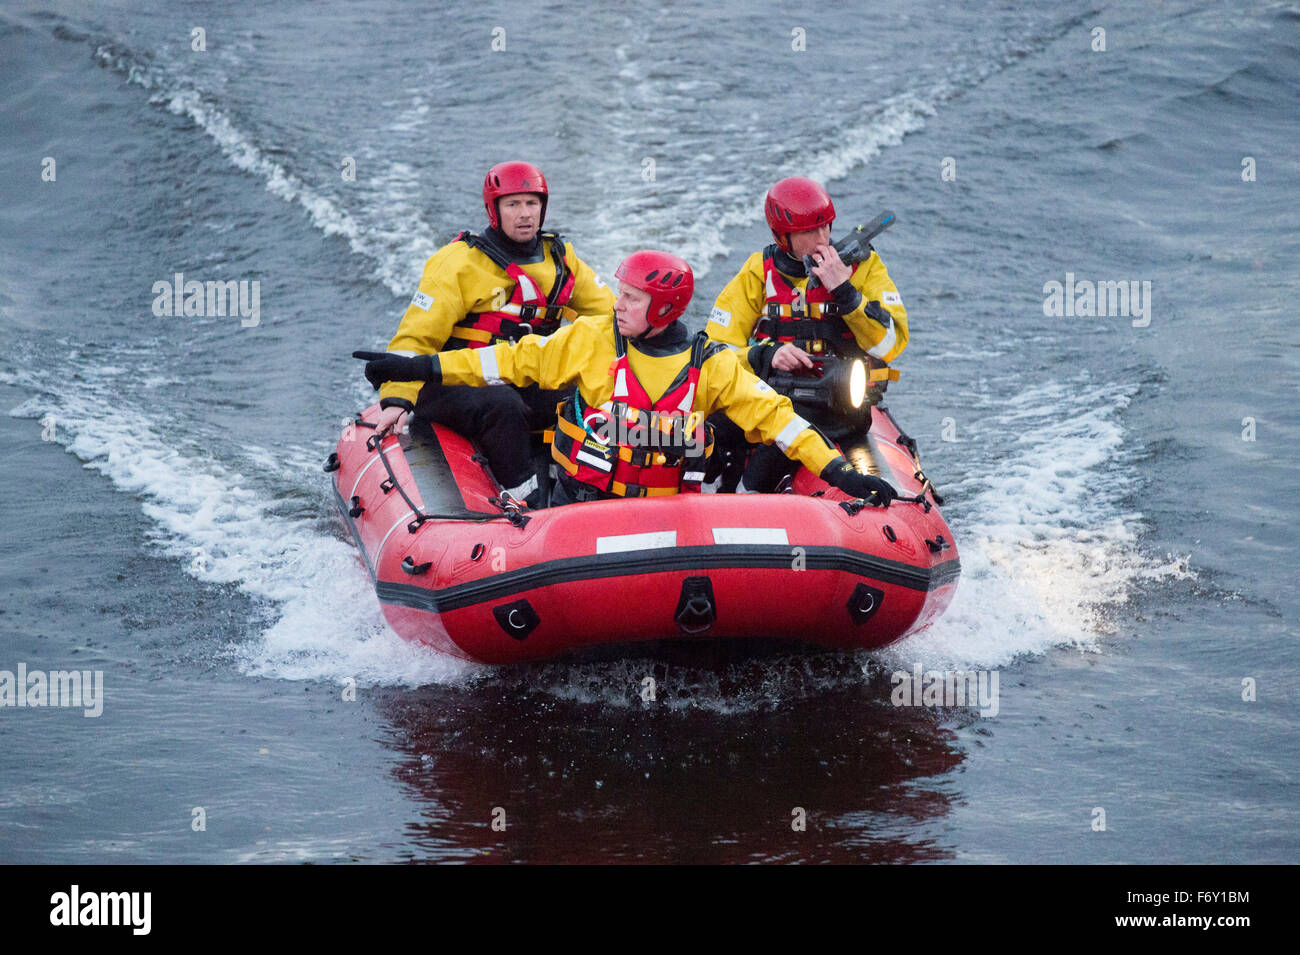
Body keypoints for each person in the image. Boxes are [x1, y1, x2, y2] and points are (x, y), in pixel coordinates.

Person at [356, 250, 898, 508]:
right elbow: (504, 362)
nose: (618, 305)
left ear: (661, 309)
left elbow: (780, 421)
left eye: (632, 298)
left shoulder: (711, 363)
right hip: (579, 506)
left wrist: (842, 475)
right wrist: (419, 368)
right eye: (621, 294)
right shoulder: (590, 339)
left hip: (672, 512)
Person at [366, 160, 615, 507]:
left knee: (581, 396)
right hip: (452, 380)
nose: (525, 214)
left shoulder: (562, 260)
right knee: (503, 406)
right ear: (494, 210)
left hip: (522, 372)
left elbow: (612, 318)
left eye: (532, 203)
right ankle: (525, 497)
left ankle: (583, 484)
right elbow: (415, 340)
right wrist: (396, 398)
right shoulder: (457, 263)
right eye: (513, 204)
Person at [704, 176, 910, 492]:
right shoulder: (759, 270)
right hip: (772, 396)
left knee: (769, 459)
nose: (823, 238)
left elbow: (889, 345)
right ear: (782, 236)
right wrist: (766, 355)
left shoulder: (864, 267)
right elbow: (715, 352)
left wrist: (845, 291)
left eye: (826, 226)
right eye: (811, 231)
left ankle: (750, 494)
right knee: (708, 432)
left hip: (839, 405)